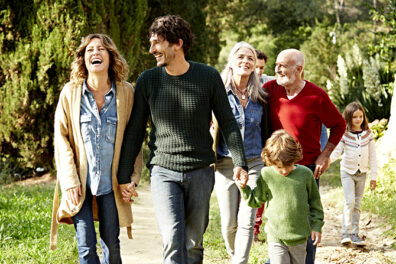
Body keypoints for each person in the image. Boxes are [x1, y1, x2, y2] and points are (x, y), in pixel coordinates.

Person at [117, 15, 248, 264]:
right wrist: (125, 176)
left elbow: (228, 122)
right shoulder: (148, 80)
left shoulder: (208, 77)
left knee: (194, 242)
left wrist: (240, 162)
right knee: (172, 238)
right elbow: (135, 130)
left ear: (177, 43)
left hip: (200, 170)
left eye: (157, 43)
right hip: (163, 170)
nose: (151, 49)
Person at [50, 33, 143, 263]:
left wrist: (132, 178)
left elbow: (134, 140)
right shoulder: (70, 93)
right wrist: (70, 181)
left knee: (112, 244)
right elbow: (61, 140)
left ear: (111, 57)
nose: (95, 53)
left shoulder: (126, 92)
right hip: (80, 185)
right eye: (90, 50)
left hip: (111, 185)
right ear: (83, 58)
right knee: (85, 246)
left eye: (101, 49)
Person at [263, 48, 346, 264]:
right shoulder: (269, 89)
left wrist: (325, 155)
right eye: (276, 65)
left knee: (306, 225)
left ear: (299, 69)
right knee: (279, 221)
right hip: (276, 169)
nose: (277, 69)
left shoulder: (316, 95)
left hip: (307, 168)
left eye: (283, 65)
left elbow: (339, 125)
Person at [211, 42, 270, 264]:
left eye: (250, 58)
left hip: (255, 162)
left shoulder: (261, 96)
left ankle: (240, 262)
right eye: (240, 57)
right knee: (229, 223)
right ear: (232, 62)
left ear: (255, 65)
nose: (245, 61)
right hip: (225, 164)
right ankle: (234, 255)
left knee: (248, 219)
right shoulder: (218, 93)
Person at [236, 129, 324, 264]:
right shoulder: (266, 174)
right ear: (270, 161)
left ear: (295, 157)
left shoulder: (305, 174)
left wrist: (317, 227)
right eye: (278, 167)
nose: (283, 171)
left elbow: (315, 203)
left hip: (300, 238)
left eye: (287, 166)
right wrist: (244, 188)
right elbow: (255, 201)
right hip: (276, 237)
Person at [330, 102, 377, 246]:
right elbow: (337, 152)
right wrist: (326, 162)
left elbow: (373, 157)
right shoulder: (345, 135)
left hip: (362, 173)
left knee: (357, 204)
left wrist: (373, 177)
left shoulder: (368, 135)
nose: (358, 119)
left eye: (360, 116)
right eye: (354, 117)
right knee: (349, 201)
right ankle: (345, 233)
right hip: (347, 172)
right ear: (349, 118)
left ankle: (355, 234)